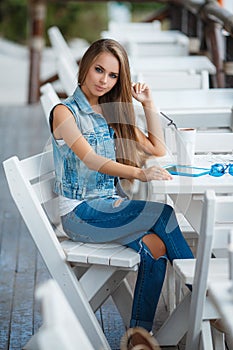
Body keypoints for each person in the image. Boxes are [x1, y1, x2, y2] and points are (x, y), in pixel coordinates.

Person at [49, 38, 194, 348]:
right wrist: (140, 173)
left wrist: (148, 105)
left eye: (113, 75)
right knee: (164, 213)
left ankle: (138, 338)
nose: (104, 80)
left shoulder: (111, 110)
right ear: (85, 66)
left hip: (109, 208)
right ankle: (203, 292)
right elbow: (91, 160)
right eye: (99, 70)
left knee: (155, 248)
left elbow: (157, 148)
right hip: (80, 215)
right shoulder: (64, 112)